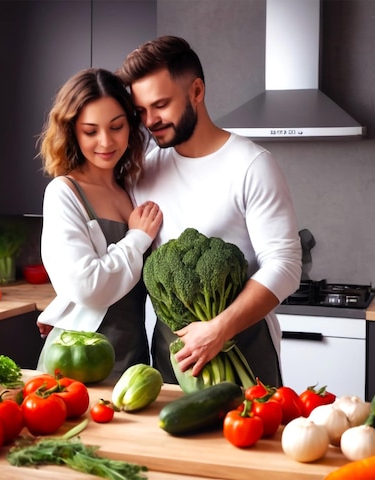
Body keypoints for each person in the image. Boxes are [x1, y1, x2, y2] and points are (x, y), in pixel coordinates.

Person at [117, 36, 302, 386]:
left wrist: (218, 330)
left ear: (197, 91)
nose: (150, 121)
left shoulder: (252, 165)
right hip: (170, 352)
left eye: (160, 105)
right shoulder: (143, 173)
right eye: (141, 111)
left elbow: (286, 265)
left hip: (243, 345)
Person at [35, 67, 163, 382]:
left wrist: (63, 303)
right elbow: (87, 285)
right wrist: (136, 238)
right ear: (72, 132)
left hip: (132, 357)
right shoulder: (64, 192)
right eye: (90, 131)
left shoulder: (133, 189)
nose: (105, 142)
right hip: (76, 361)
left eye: (116, 127)